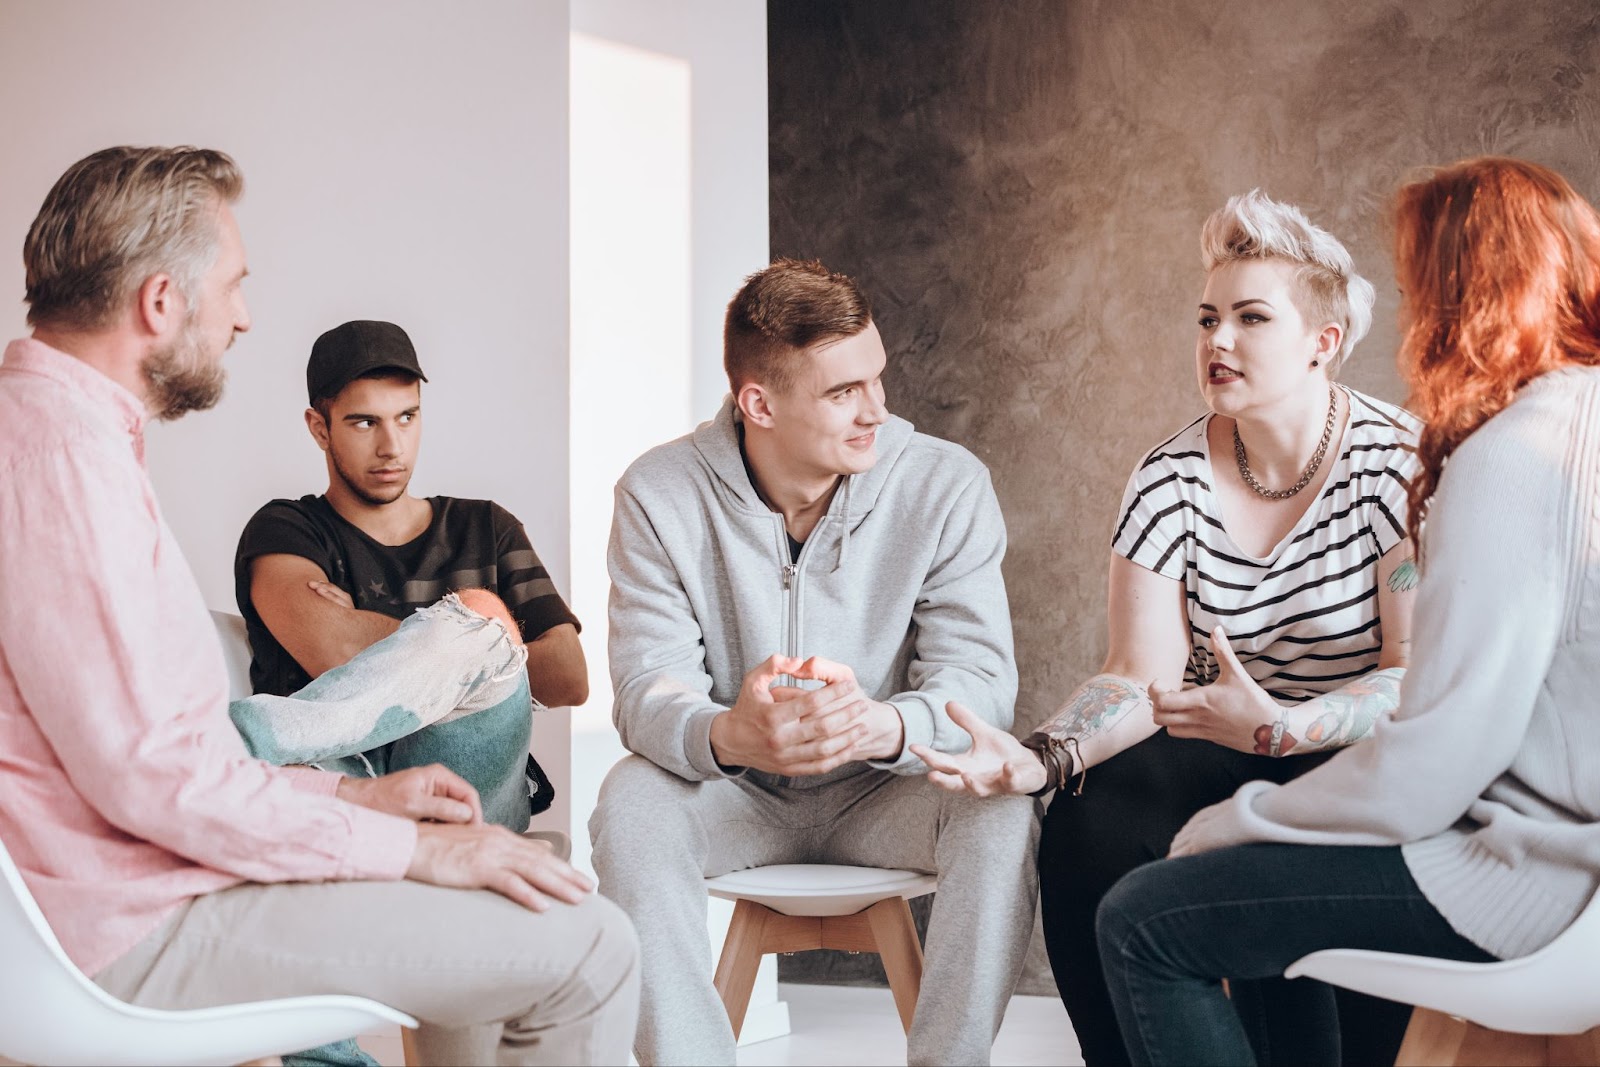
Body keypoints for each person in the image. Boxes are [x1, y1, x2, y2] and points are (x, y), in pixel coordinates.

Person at [0, 145, 637, 1066]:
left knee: (533, 871)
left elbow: (567, 673)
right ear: (160, 301)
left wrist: (351, 792)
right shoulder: (62, 463)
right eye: (233, 285)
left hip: (154, 876)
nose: (245, 317)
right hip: (131, 920)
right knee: (591, 948)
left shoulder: (60, 436)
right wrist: (408, 848)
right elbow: (155, 777)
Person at [1093, 155, 1600, 1065]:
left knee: (1145, 920)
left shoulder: (1507, 457)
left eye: (1416, 284)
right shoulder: (1584, 422)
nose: (1409, 315)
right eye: (1211, 316)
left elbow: (1437, 761)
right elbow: (1135, 673)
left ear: (1465, 292)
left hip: (1531, 876)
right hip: (1570, 863)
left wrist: (1240, 818)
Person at [915, 191, 1419, 1064]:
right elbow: (1138, 674)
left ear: (1322, 342)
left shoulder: (1397, 463)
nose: (1218, 341)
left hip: (1358, 745)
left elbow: (1412, 671)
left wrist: (1287, 727)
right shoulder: (1167, 478)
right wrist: (1046, 755)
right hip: (1218, 730)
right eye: (1207, 318)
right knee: (1088, 818)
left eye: (1251, 318)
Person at [589, 258, 1039, 1065]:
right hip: (733, 796)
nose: (877, 409)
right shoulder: (658, 493)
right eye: (843, 392)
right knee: (630, 800)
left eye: (877, 378)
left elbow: (977, 684)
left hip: (887, 791)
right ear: (757, 403)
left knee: (1001, 805)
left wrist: (883, 725)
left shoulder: (944, 484)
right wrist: (728, 733)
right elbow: (643, 689)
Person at [234, 317, 586, 832]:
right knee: (486, 619)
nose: (391, 446)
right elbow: (330, 648)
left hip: (470, 794)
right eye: (363, 423)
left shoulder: (486, 527)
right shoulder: (286, 529)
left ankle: (238, 742)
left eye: (406, 417)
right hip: (341, 783)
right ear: (319, 427)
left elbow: (570, 678)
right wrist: (480, 644)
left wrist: (474, 643)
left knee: (482, 617)